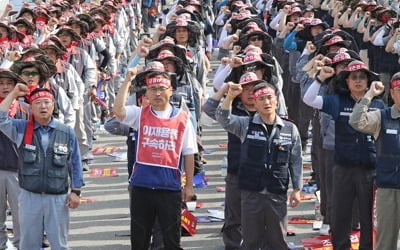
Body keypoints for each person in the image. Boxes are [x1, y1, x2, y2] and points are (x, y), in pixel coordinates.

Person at [303, 60, 386, 249]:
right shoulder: (336, 101)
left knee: (367, 216)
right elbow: (308, 100)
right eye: (353, 77)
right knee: (340, 214)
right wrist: (319, 79)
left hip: (369, 169)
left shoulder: (379, 104)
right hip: (343, 167)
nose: (358, 81)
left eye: (362, 77)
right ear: (346, 81)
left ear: (369, 81)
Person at [114, 68, 197, 250]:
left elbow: (189, 153)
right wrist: (127, 80)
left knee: (171, 239)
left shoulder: (183, 118)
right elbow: (118, 111)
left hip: (169, 187)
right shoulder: (140, 114)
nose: (157, 93)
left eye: (162, 88)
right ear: (146, 93)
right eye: (152, 89)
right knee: (139, 238)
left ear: (171, 91)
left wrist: (189, 185)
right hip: (141, 186)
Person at [215, 81, 303, 249]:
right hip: (251, 193)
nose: (266, 102)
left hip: (276, 193)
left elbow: (296, 160)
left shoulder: (290, 129)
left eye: (270, 98)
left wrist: (297, 189)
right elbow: (223, 118)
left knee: (278, 240)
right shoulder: (245, 124)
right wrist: (230, 97)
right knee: (251, 241)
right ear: (254, 104)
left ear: (277, 100)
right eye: (261, 99)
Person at [0, 85, 84, 250]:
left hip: (58, 197)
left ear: (53, 105)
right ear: (30, 107)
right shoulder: (22, 128)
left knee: (59, 244)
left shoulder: (66, 131)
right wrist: (14, 94)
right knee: (29, 244)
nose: (43, 106)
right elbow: (1, 119)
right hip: (29, 195)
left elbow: (75, 162)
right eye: (37, 103)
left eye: (47, 102)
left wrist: (76, 191)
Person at [203, 72, 259, 249]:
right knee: (234, 216)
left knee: (261, 216)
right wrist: (225, 91)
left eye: (254, 90)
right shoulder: (231, 110)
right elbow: (209, 109)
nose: (250, 94)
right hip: (237, 169)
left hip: (263, 172)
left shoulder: (267, 109)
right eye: (246, 90)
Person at [349, 75, 400, 250]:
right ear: (392, 93)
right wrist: (369, 95)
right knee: (386, 242)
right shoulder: (382, 117)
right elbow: (356, 121)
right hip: (388, 189)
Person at [0, 69, 30, 250]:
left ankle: (21, 246)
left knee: (22, 216)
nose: (5, 87)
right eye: (1, 84)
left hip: (18, 169)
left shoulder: (25, 109)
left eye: (9, 84)